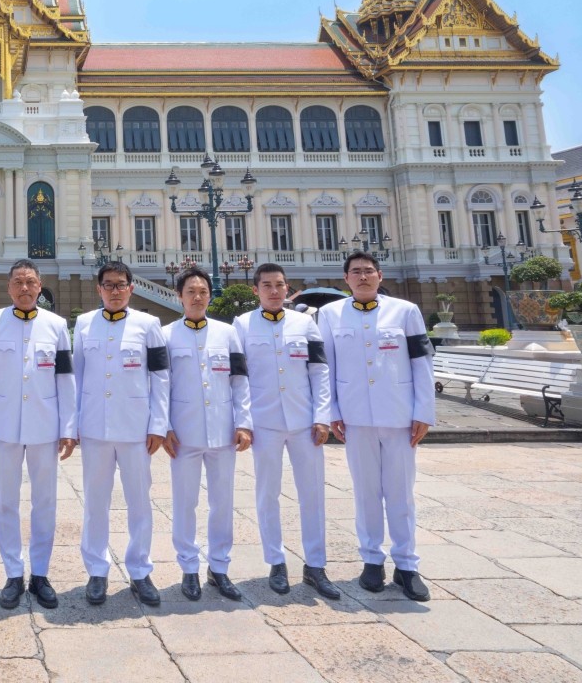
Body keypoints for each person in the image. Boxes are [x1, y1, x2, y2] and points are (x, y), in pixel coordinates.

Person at [320, 251, 436, 602]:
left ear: (380, 275)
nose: (363, 277)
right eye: (356, 272)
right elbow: (327, 366)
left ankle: (406, 564)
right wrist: (333, 411)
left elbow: (422, 361)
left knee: (401, 492)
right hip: (355, 416)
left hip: (399, 414)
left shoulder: (405, 311)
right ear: (346, 279)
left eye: (368, 271)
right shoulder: (330, 315)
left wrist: (424, 411)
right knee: (366, 491)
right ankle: (372, 559)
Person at [0, 259, 77, 609]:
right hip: (4, 426)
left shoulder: (57, 325)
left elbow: (65, 378)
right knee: (6, 501)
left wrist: (67, 428)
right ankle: (13, 574)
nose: (25, 288)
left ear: (40, 284)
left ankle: (41, 574)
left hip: (45, 425)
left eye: (30, 281)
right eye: (18, 281)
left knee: (45, 501)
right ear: (8, 286)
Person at [233, 263, 339, 599]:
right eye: (267, 285)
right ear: (255, 290)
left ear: (287, 288)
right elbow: (239, 378)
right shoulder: (242, 325)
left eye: (280, 285)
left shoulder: (304, 322)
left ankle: (316, 565)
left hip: (304, 420)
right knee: (268, 493)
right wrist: (244, 422)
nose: (274, 291)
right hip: (264, 421)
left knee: (312, 493)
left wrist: (322, 416)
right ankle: (276, 562)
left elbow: (320, 373)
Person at [74, 260, 169, 606]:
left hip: (136, 427)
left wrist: (159, 424)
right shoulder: (84, 325)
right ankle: (97, 571)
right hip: (96, 427)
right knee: (95, 501)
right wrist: (75, 424)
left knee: (139, 502)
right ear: (98, 289)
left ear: (131, 288)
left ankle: (140, 571)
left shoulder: (149, 324)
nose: (115, 291)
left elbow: (160, 376)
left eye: (121, 285)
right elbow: (77, 377)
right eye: (108, 285)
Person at [163, 267, 252, 602]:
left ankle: (219, 567)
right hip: (183, 432)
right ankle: (188, 568)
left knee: (222, 502)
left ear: (210, 296)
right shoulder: (166, 334)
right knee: (185, 502)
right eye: (190, 292)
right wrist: (165, 426)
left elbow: (240, 381)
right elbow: (161, 386)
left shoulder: (228, 334)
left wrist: (244, 422)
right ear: (179, 296)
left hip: (223, 430)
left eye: (202, 291)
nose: (197, 297)